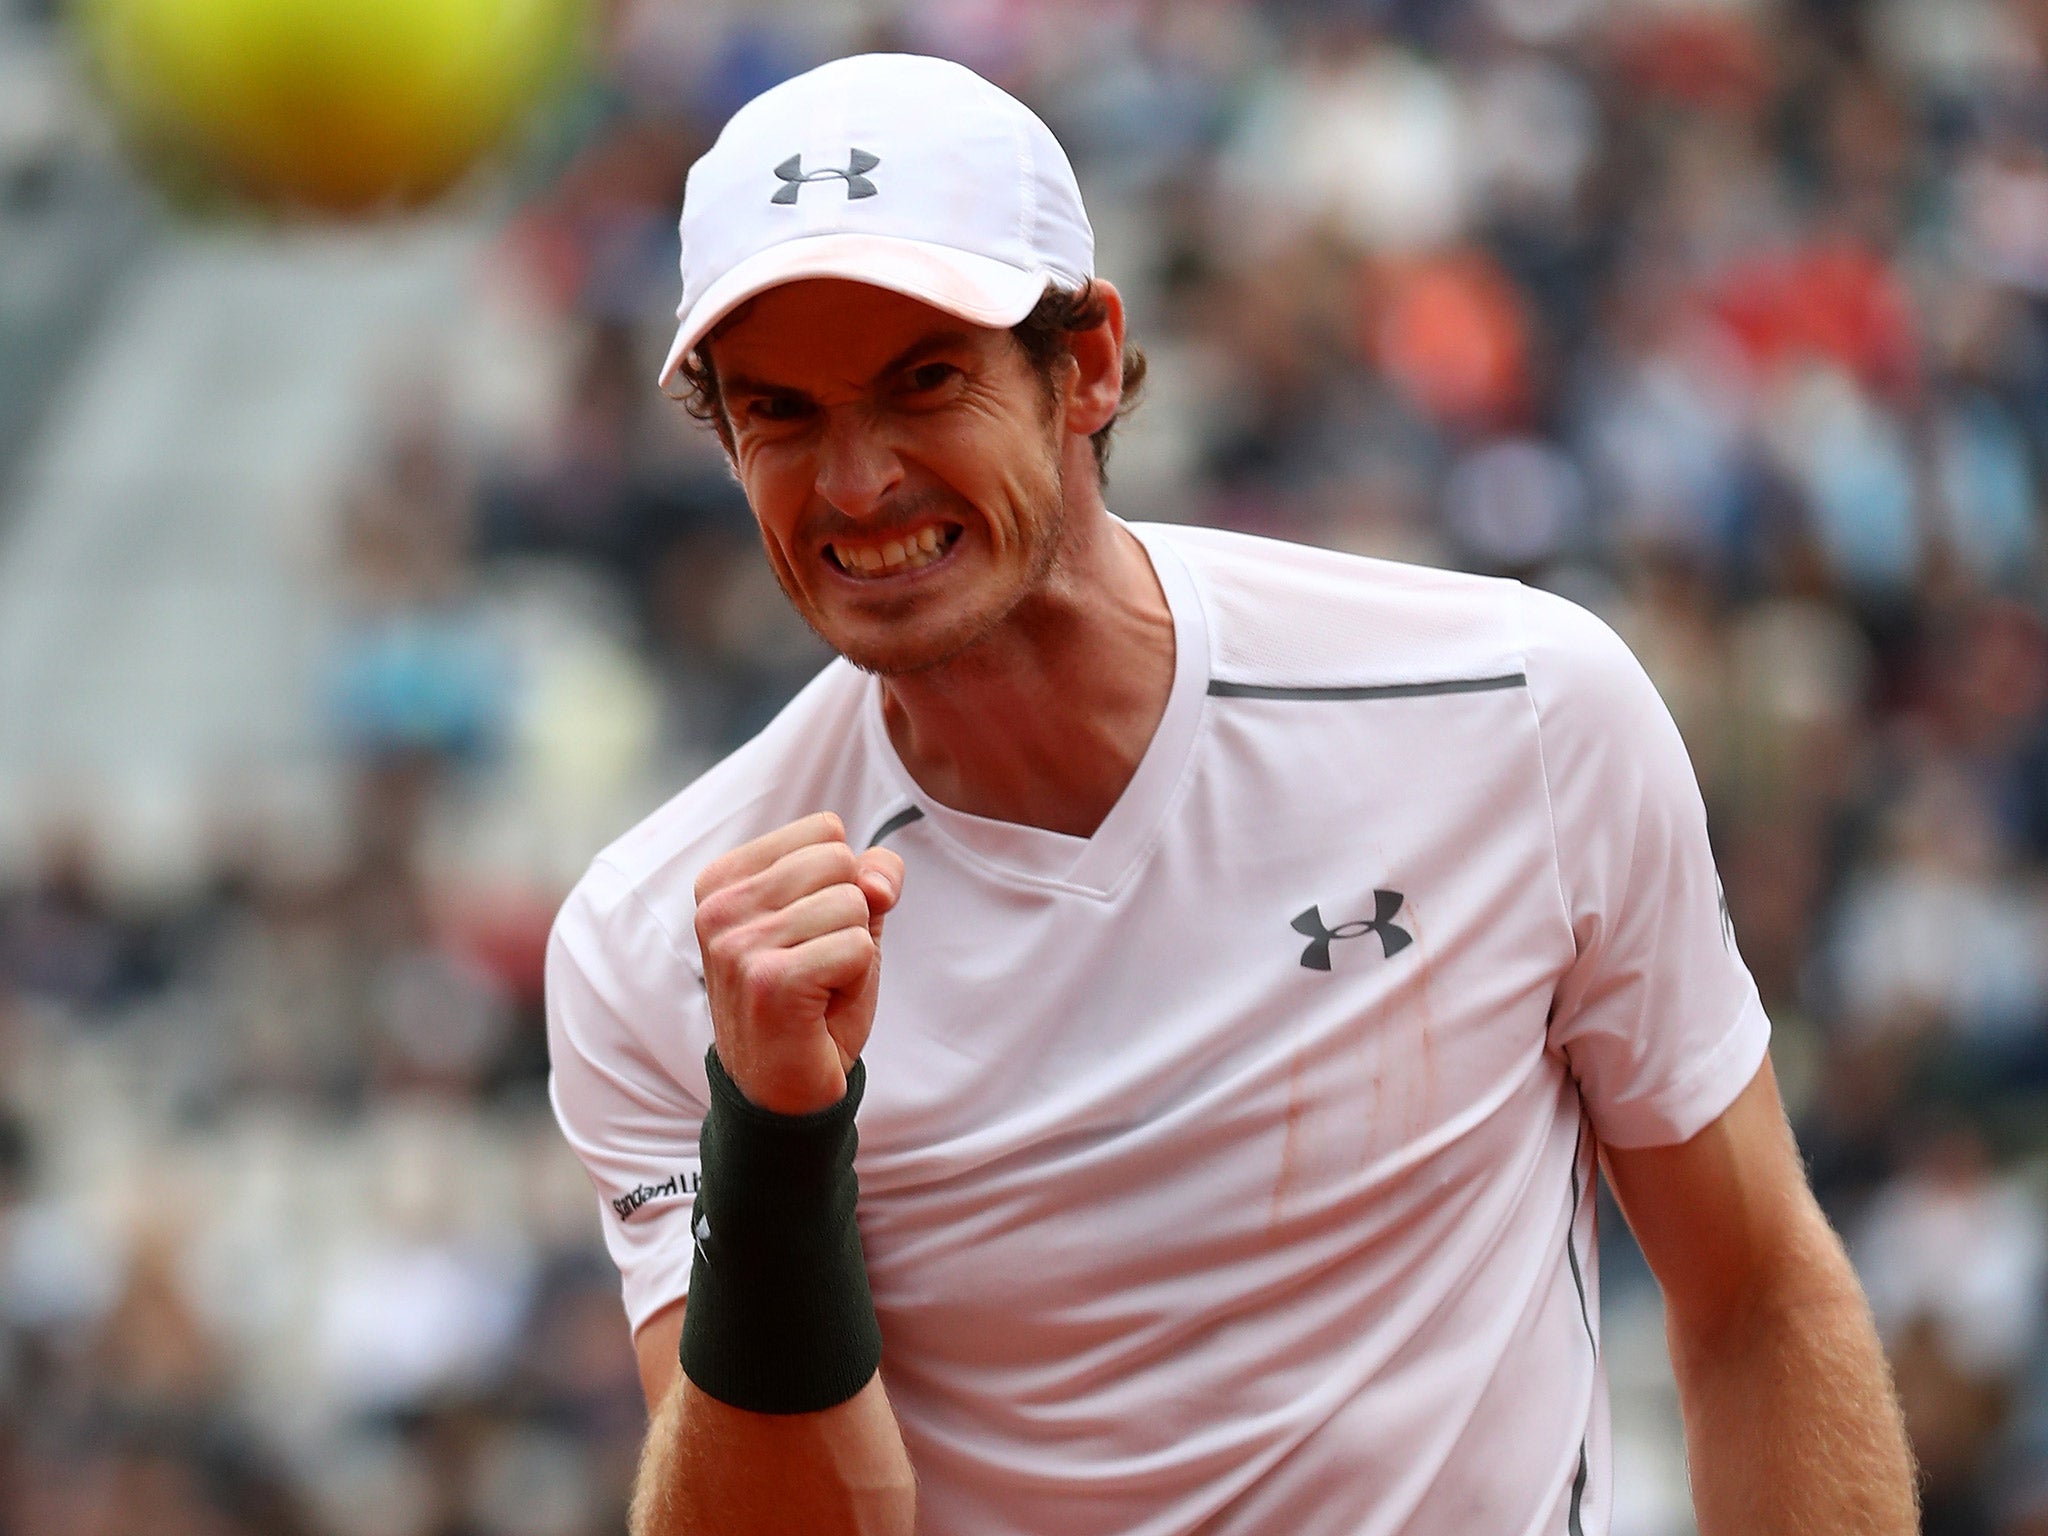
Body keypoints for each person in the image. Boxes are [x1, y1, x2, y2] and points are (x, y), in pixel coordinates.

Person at [545, 52, 1917, 1536]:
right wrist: (775, 1137)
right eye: (780, 413)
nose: (858, 478)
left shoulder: (1516, 711)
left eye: (924, 380)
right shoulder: (662, 940)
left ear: (1083, 367)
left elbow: (1757, 1296)